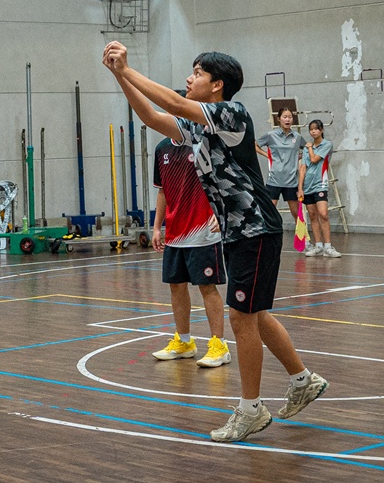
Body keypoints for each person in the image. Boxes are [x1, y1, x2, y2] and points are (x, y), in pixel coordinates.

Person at [102, 41, 328, 443]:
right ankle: (302, 380)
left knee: (241, 317)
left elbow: (172, 102)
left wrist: (129, 68)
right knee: (255, 314)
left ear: (217, 84)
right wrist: (120, 77)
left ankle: (250, 410)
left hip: (255, 228)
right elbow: (152, 117)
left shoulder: (232, 114)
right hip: (239, 232)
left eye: (197, 73)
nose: (189, 79)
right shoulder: (197, 128)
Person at [150, 122, 231, 368]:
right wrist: (157, 227)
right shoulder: (161, 149)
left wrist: (219, 212)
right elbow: (163, 192)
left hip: (203, 231)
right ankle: (184, 342)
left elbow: (221, 181)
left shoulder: (203, 145)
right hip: (175, 233)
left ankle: (220, 345)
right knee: (176, 286)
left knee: (207, 287)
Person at [255, 107, 305, 230]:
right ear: (279, 119)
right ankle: (269, 236)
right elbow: (254, 145)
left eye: (290, 117)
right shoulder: (271, 135)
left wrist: (298, 156)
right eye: (285, 117)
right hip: (274, 179)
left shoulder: (297, 137)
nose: (288, 120)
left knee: (296, 213)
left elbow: (308, 149)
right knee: (269, 212)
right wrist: (267, 155)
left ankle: (303, 238)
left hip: (291, 180)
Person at [298, 119, 341, 258]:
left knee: (323, 214)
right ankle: (318, 246)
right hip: (307, 186)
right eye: (311, 129)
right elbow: (303, 168)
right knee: (312, 215)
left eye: (316, 129)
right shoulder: (306, 148)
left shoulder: (326, 144)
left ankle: (328, 246)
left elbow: (314, 159)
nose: (313, 131)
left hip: (320, 184)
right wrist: (300, 188)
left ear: (321, 130)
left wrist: (310, 147)